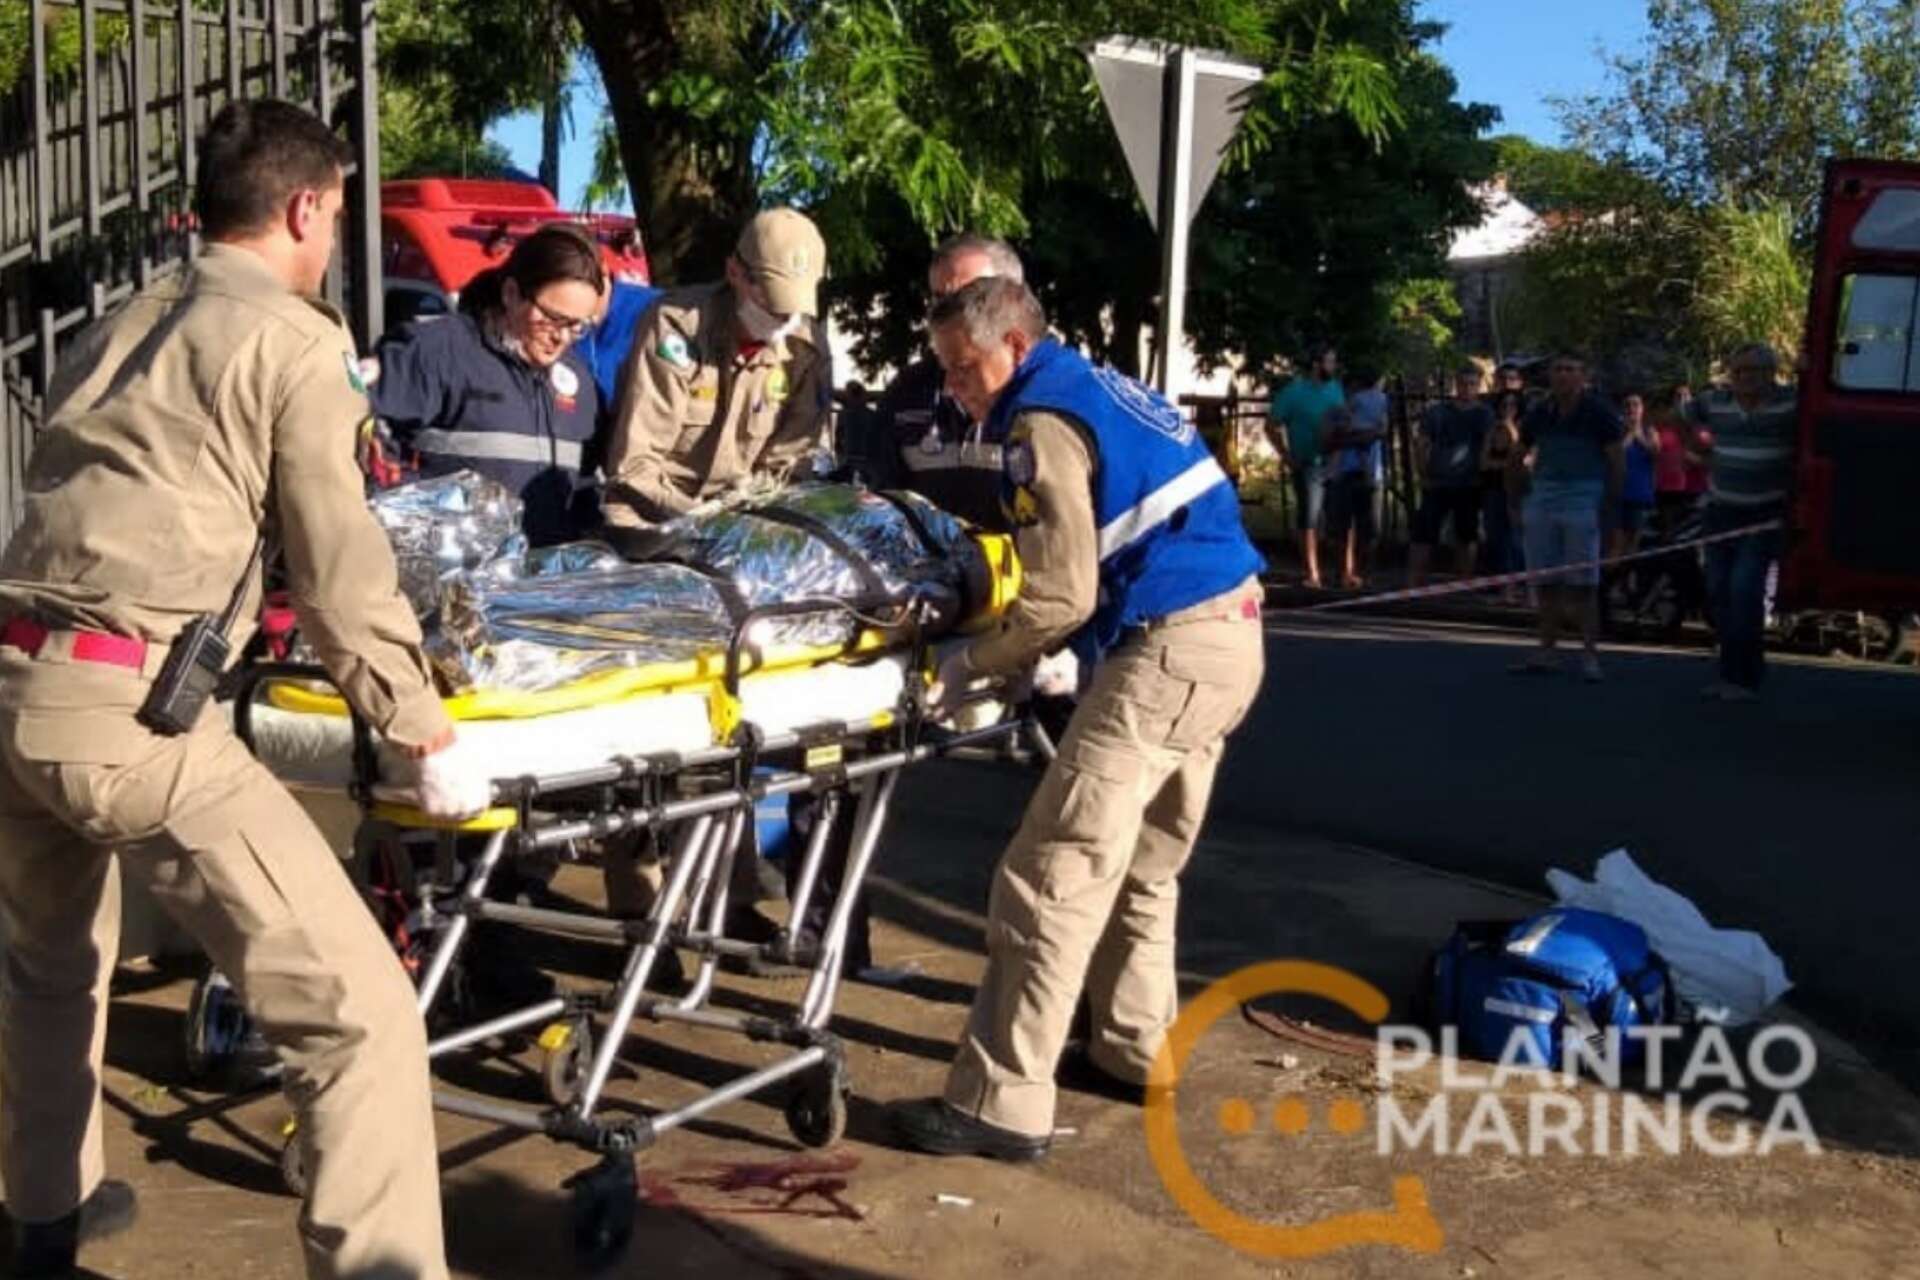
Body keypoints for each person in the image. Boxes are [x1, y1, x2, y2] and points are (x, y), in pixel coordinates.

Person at [0, 98, 490, 1279]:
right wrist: (417, 723)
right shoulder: (290, 336)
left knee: (51, 965)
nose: (333, 245)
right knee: (360, 1016)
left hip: (17, 686)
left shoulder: (119, 322)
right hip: (127, 715)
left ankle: (40, 1228)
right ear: (306, 205)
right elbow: (336, 567)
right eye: (334, 218)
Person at [888, 277, 1265, 1161]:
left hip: (1166, 654)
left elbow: (1058, 593)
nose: (955, 388)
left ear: (1014, 346)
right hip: (1230, 637)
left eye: (965, 368)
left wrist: (970, 662)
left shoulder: (1040, 421)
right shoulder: (1104, 387)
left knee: (1048, 876)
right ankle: (1135, 1050)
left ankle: (1000, 1104)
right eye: (945, 370)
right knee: (1143, 863)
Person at [366, 222, 607, 546]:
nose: (561, 336)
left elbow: (586, 486)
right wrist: (424, 532)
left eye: (577, 326)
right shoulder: (435, 353)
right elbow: (368, 444)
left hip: (545, 584)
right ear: (511, 294)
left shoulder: (581, 385)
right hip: (447, 580)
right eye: (552, 318)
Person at [601, 207, 832, 535]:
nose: (785, 318)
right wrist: (704, 522)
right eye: (772, 302)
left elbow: (791, 467)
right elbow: (634, 467)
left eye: (794, 308)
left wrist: (743, 525)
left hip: (746, 526)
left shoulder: (807, 351)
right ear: (734, 272)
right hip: (650, 521)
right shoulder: (676, 326)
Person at [862, 234, 1026, 529]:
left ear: (1013, 302)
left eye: (968, 297)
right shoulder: (908, 392)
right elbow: (878, 503)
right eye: (939, 299)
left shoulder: (1050, 396)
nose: (948, 313)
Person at [1687, 344, 1797, 701]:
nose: (1745, 378)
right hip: (1721, 511)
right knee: (1719, 592)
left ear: (1771, 373)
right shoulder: (1714, 402)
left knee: (1744, 590)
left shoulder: (1790, 403)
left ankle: (1742, 678)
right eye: (1739, 371)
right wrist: (1701, 450)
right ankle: (1734, 669)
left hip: (1764, 515)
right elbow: (1671, 416)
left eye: (1753, 371)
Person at [1508, 350, 1625, 682]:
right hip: (1544, 495)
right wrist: (1515, 500)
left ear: (1582, 375)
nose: (1563, 375)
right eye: (1558, 369)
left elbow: (1617, 462)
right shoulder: (1540, 411)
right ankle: (1547, 649)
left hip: (1584, 498)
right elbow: (1517, 454)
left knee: (1584, 583)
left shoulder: (1599, 412)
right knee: (1546, 580)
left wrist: (1609, 509)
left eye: (1570, 369)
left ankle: (1589, 655)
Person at [1267, 345, 1342, 589]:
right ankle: (1312, 572)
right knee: (1309, 517)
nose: (1332, 367)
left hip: (1333, 461)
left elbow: (1340, 422)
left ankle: (1342, 571)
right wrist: (1286, 455)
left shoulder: (1335, 389)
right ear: (1316, 365)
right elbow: (1271, 425)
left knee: (1336, 518)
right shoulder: (1294, 392)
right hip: (1307, 463)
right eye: (1329, 362)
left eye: (1334, 362)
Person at [1409, 364, 1492, 587]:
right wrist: (1422, 472)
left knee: (1466, 534)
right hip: (1437, 482)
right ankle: (1415, 582)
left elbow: (1487, 445)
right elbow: (1422, 442)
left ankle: (1464, 583)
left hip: (1469, 483)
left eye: (1472, 384)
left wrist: (1482, 476)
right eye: (1463, 383)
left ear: (1479, 386)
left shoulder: (1484, 414)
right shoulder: (1438, 411)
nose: (1467, 388)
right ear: (1456, 384)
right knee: (1424, 533)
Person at [1320, 402, 1382, 591]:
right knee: (1338, 528)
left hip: (1368, 476)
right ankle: (1342, 574)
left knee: (1369, 529)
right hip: (1339, 475)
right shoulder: (1333, 411)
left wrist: (1349, 437)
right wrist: (1356, 438)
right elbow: (1326, 442)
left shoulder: (1378, 407)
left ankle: (1362, 575)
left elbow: (1378, 433)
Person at [1483, 390, 1526, 603]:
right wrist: (1506, 464)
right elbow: (1484, 462)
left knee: (1515, 539)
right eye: (1504, 406)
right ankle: (1502, 587)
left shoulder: (1522, 430)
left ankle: (1516, 586)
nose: (1507, 410)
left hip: (1515, 491)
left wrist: (1510, 427)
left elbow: (1521, 458)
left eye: (1512, 406)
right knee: (1497, 538)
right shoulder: (1492, 431)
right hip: (1494, 489)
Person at [1652, 384, 1710, 537]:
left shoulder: (1702, 428)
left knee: (1693, 535)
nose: (1683, 400)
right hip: (1669, 490)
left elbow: (1713, 460)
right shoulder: (1662, 428)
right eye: (1678, 396)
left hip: (1698, 490)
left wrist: (1690, 457)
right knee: (1670, 535)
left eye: (1686, 395)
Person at [1611, 390, 1659, 558]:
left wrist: (1640, 436)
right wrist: (1630, 434)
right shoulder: (1617, 431)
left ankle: (1629, 580)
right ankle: (1614, 580)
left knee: (1634, 544)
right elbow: (1614, 455)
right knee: (1616, 543)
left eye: (1636, 404)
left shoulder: (1649, 430)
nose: (1632, 408)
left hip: (1640, 493)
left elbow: (1655, 453)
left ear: (1642, 408)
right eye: (1627, 405)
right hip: (1617, 494)